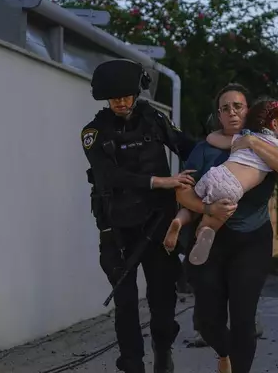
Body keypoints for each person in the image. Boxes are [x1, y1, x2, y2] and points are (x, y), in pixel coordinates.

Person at [82, 59, 197, 373]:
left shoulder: (153, 119)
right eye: (114, 96)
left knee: (162, 299)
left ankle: (163, 352)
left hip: (159, 224)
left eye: (126, 95)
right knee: (127, 303)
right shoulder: (94, 132)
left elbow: (184, 146)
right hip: (118, 230)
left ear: (136, 93)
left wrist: (224, 155)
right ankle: (132, 365)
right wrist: (161, 182)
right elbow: (109, 177)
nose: (120, 101)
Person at [177, 84, 278, 373]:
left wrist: (253, 143)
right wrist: (208, 209)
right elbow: (182, 194)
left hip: (252, 241)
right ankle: (222, 353)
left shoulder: (268, 144)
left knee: (243, 319)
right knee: (208, 320)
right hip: (211, 239)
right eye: (225, 108)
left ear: (249, 112)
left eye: (238, 106)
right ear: (218, 115)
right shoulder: (203, 151)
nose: (232, 112)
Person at [163, 99, 278, 265]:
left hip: (216, 174)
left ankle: (179, 221)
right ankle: (205, 232)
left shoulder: (245, 136)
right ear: (274, 124)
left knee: (193, 203)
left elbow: (213, 138)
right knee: (212, 219)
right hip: (233, 188)